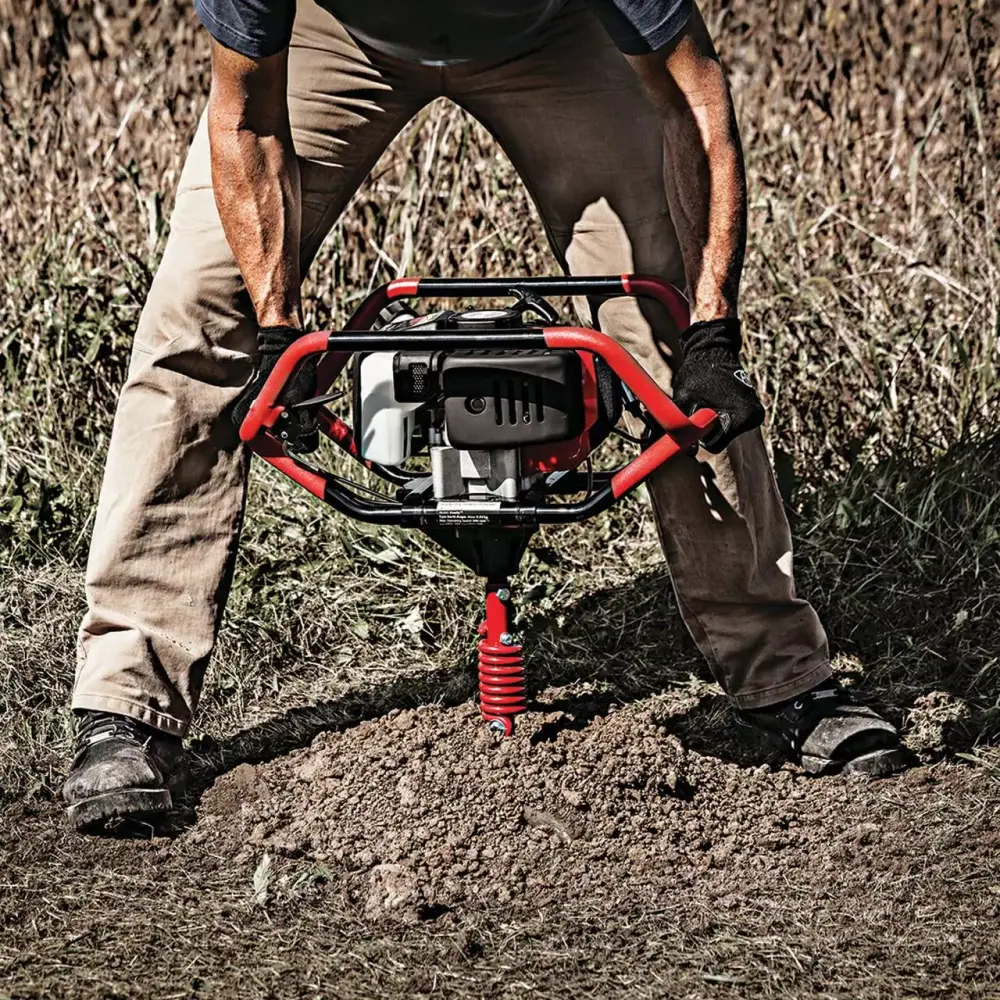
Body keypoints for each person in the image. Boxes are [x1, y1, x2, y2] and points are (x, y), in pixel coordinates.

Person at [61, 0, 911, 832]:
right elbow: (245, 115)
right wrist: (279, 329)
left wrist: (713, 332)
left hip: (558, 34)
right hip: (339, 32)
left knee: (666, 323)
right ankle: (126, 705)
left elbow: (693, 97)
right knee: (197, 324)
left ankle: (783, 679)